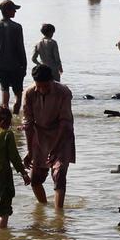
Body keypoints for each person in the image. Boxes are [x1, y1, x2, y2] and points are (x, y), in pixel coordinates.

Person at [22, 64, 76, 211]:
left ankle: (59, 215)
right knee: (35, 179)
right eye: (39, 86)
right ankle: (43, 209)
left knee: (59, 175)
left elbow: (65, 123)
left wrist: (55, 148)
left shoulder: (63, 92)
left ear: (51, 81)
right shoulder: (29, 93)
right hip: (40, 137)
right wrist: (30, 151)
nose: (42, 89)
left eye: (45, 86)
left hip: (61, 136)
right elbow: (28, 123)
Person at [0, 0, 26, 114]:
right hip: (15, 66)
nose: (15, 12)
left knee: (4, 90)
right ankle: (14, 117)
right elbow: (20, 49)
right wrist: (24, 66)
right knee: (18, 94)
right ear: (8, 11)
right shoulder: (17, 27)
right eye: (14, 9)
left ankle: (5, 119)